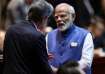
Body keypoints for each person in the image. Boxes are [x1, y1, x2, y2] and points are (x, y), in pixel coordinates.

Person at [3, 0, 53, 74]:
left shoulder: (11, 29)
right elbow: (45, 69)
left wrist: (41, 55)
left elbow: (17, 57)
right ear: (44, 18)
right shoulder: (38, 36)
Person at [46, 3, 94, 74]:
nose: (59, 19)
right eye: (56, 17)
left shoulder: (85, 35)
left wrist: (63, 72)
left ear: (73, 16)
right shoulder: (48, 36)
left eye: (62, 16)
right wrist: (55, 70)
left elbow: (86, 62)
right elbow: (45, 60)